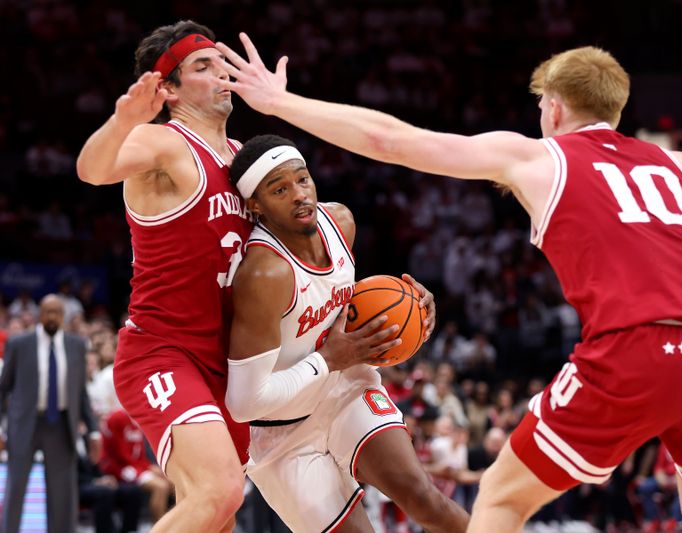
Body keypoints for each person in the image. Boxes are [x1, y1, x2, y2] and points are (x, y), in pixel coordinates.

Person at [213, 36, 682, 532]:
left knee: (499, 499)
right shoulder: (670, 162)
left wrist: (281, 102)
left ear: (554, 107)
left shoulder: (539, 156)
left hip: (637, 344)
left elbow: (391, 139)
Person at [225, 134, 470, 532]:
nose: (299, 195)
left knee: (423, 497)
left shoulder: (340, 222)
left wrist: (413, 310)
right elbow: (243, 403)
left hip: (344, 387)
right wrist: (327, 359)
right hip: (279, 430)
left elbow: (345, 308)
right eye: (280, 189)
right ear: (256, 205)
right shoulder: (264, 273)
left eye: (302, 180)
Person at [75, 20, 253, 532]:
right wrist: (122, 120)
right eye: (203, 66)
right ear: (169, 89)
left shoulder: (245, 158)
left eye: (222, 63)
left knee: (215, 512)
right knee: (220, 492)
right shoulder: (163, 144)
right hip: (163, 351)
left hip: (225, 363)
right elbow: (92, 169)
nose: (221, 73)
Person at [0, 294, 100, 533]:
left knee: (62, 493)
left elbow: (81, 393)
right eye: (48, 312)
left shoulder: (77, 345)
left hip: (62, 423)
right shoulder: (19, 344)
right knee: (16, 487)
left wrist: (94, 431)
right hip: (25, 423)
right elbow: (3, 389)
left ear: (63, 316)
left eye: (57, 312)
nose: (52, 317)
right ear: (39, 315)